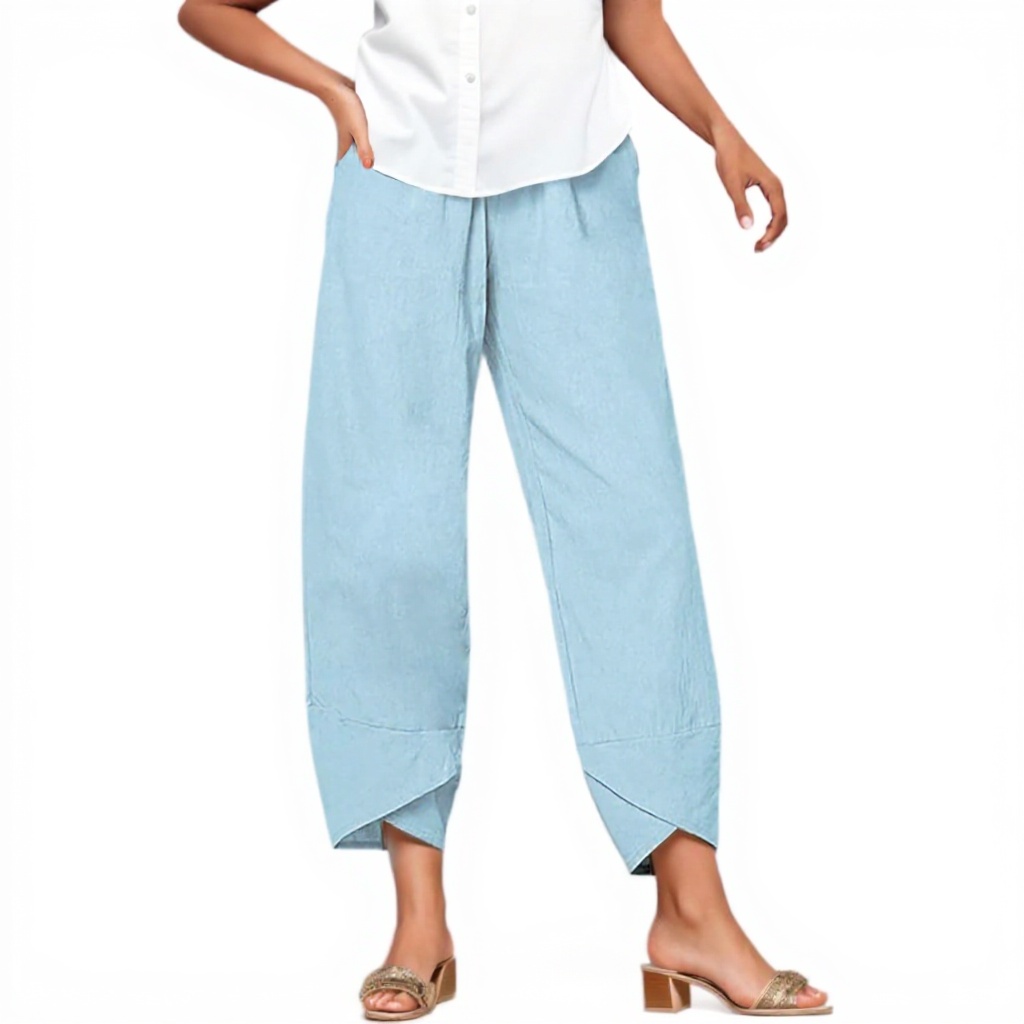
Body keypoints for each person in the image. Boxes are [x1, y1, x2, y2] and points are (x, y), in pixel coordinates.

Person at [177, 1, 830, 1019]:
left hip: (575, 189)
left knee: (635, 530)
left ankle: (692, 911)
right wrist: (334, 90)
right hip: (396, 187)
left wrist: (720, 130)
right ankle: (420, 924)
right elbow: (207, 9)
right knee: (389, 540)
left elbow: (630, 17)